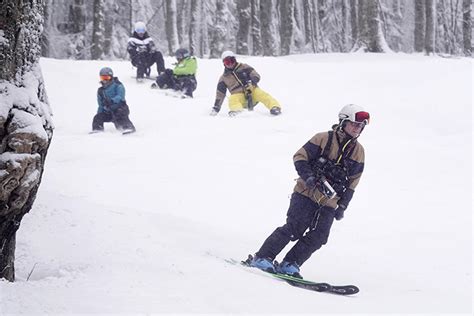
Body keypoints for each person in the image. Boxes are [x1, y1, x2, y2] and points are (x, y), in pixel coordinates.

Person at [247, 104, 370, 278]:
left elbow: (353, 182)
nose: (358, 129)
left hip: (330, 201)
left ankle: (290, 263)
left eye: (361, 126)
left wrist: (343, 206)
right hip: (305, 192)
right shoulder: (323, 138)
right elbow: (300, 156)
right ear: (343, 122)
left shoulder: (359, 152)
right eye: (354, 124)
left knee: (320, 236)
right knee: (294, 228)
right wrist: (308, 177)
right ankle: (262, 257)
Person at [210, 51, 282, 117]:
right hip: (239, 97)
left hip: (251, 91)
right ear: (224, 64)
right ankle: (237, 111)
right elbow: (220, 94)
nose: (230, 64)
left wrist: (252, 82)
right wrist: (216, 108)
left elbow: (256, 75)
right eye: (227, 62)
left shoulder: (244, 67)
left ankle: (274, 107)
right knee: (232, 99)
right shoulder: (224, 78)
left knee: (261, 94)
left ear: (235, 60)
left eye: (232, 60)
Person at [91, 67, 136, 134]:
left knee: (119, 116)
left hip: (120, 108)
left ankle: (128, 128)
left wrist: (112, 101)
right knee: (97, 117)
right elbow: (100, 105)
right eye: (103, 78)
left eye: (107, 78)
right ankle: (97, 130)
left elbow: (120, 96)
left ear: (111, 77)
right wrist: (99, 113)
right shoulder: (100, 91)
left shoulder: (118, 85)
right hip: (109, 112)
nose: (105, 80)